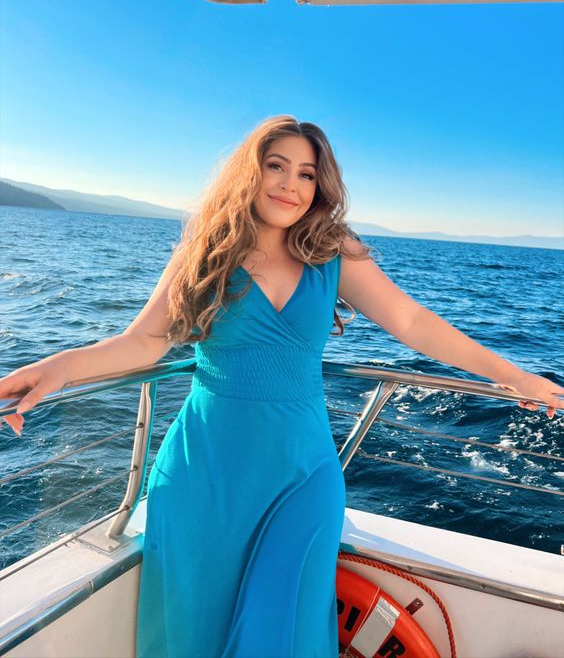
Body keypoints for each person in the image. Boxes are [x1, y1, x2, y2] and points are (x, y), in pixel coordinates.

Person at [0, 114, 562, 657]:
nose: (290, 184)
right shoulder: (207, 248)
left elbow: (412, 323)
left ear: (320, 186)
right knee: (196, 624)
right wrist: (59, 367)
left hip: (302, 472)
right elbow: (147, 341)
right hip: (207, 473)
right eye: (277, 165)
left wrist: (511, 376)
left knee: (285, 625)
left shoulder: (332, 249)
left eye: (307, 173)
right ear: (251, 171)